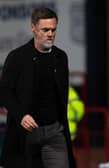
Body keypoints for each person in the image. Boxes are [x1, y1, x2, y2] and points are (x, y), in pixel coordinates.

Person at [0, 7, 76, 168]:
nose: (50, 34)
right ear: (33, 28)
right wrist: (21, 115)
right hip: (25, 134)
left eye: (53, 30)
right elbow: (4, 91)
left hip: (54, 132)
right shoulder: (17, 57)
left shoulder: (60, 57)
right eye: (45, 30)